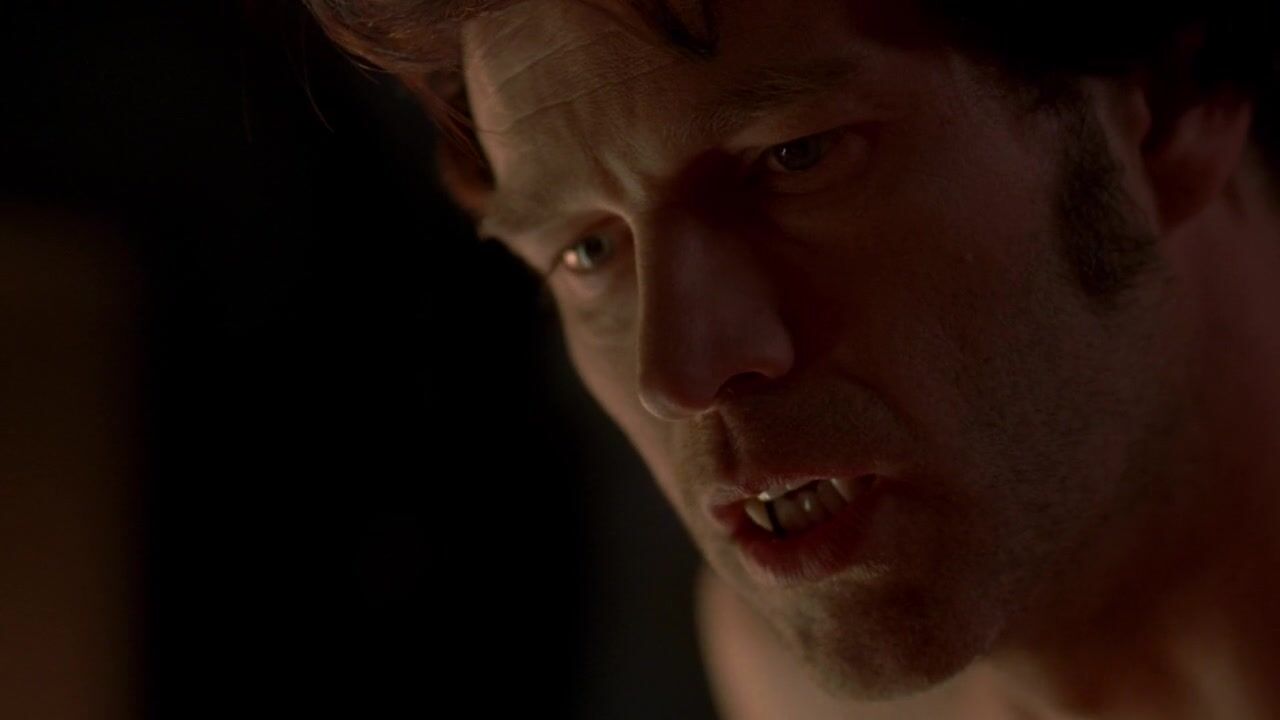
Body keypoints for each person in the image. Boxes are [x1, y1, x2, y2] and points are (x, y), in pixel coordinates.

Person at [303, 1, 1280, 716]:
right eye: (589, 250)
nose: (678, 372)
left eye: (796, 157)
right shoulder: (786, 677)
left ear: (1162, 106)